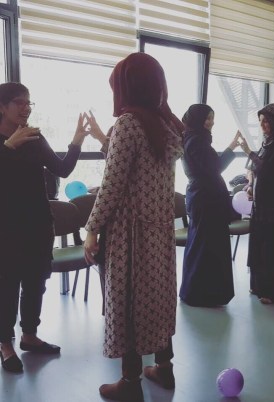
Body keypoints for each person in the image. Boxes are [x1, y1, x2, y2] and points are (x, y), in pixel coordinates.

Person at [83, 52, 184, 401]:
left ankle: (130, 382)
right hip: (160, 230)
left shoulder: (129, 124)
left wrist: (92, 229)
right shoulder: (166, 123)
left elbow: (112, 185)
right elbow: (138, 164)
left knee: (127, 302)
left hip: (130, 233)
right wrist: (104, 138)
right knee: (157, 298)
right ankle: (164, 367)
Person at [0, 82, 89, 373]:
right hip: (6, 226)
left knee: (36, 282)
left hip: (38, 222)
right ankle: (5, 344)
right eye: (19, 102)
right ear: (2, 107)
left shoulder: (34, 137)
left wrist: (76, 141)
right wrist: (8, 147)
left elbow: (62, 169)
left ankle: (29, 335)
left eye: (29, 103)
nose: (26, 108)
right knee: (7, 286)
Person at [179, 104, 241, 307]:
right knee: (205, 246)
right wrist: (231, 147)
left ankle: (198, 292)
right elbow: (216, 166)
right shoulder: (196, 141)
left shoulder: (193, 138)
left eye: (212, 118)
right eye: (207, 118)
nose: (211, 122)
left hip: (203, 197)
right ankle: (201, 294)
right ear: (197, 120)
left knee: (202, 244)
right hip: (206, 199)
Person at [240, 103, 274, 304]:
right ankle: (258, 285)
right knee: (259, 244)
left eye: (266, 121)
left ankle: (271, 291)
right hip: (261, 203)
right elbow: (255, 171)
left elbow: (268, 170)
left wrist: (248, 152)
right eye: (260, 121)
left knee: (272, 247)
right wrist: (250, 186)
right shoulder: (267, 142)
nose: (263, 125)